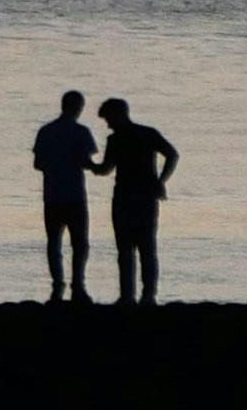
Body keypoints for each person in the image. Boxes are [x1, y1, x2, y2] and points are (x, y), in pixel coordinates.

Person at [91, 96, 179, 305]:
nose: (108, 124)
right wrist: (160, 181)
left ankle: (129, 296)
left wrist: (87, 164)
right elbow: (172, 155)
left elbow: (106, 168)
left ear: (118, 115)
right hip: (144, 196)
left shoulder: (118, 139)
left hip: (127, 197)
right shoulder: (146, 133)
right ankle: (146, 295)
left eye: (109, 119)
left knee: (127, 248)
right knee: (145, 247)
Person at [30, 89, 99, 303]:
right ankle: (78, 284)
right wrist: (101, 168)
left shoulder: (45, 131)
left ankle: (57, 286)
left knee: (54, 242)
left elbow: (37, 163)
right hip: (75, 195)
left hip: (52, 194)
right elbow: (87, 162)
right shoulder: (81, 132)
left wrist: (55, 166)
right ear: (79, 108)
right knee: (80, 243)